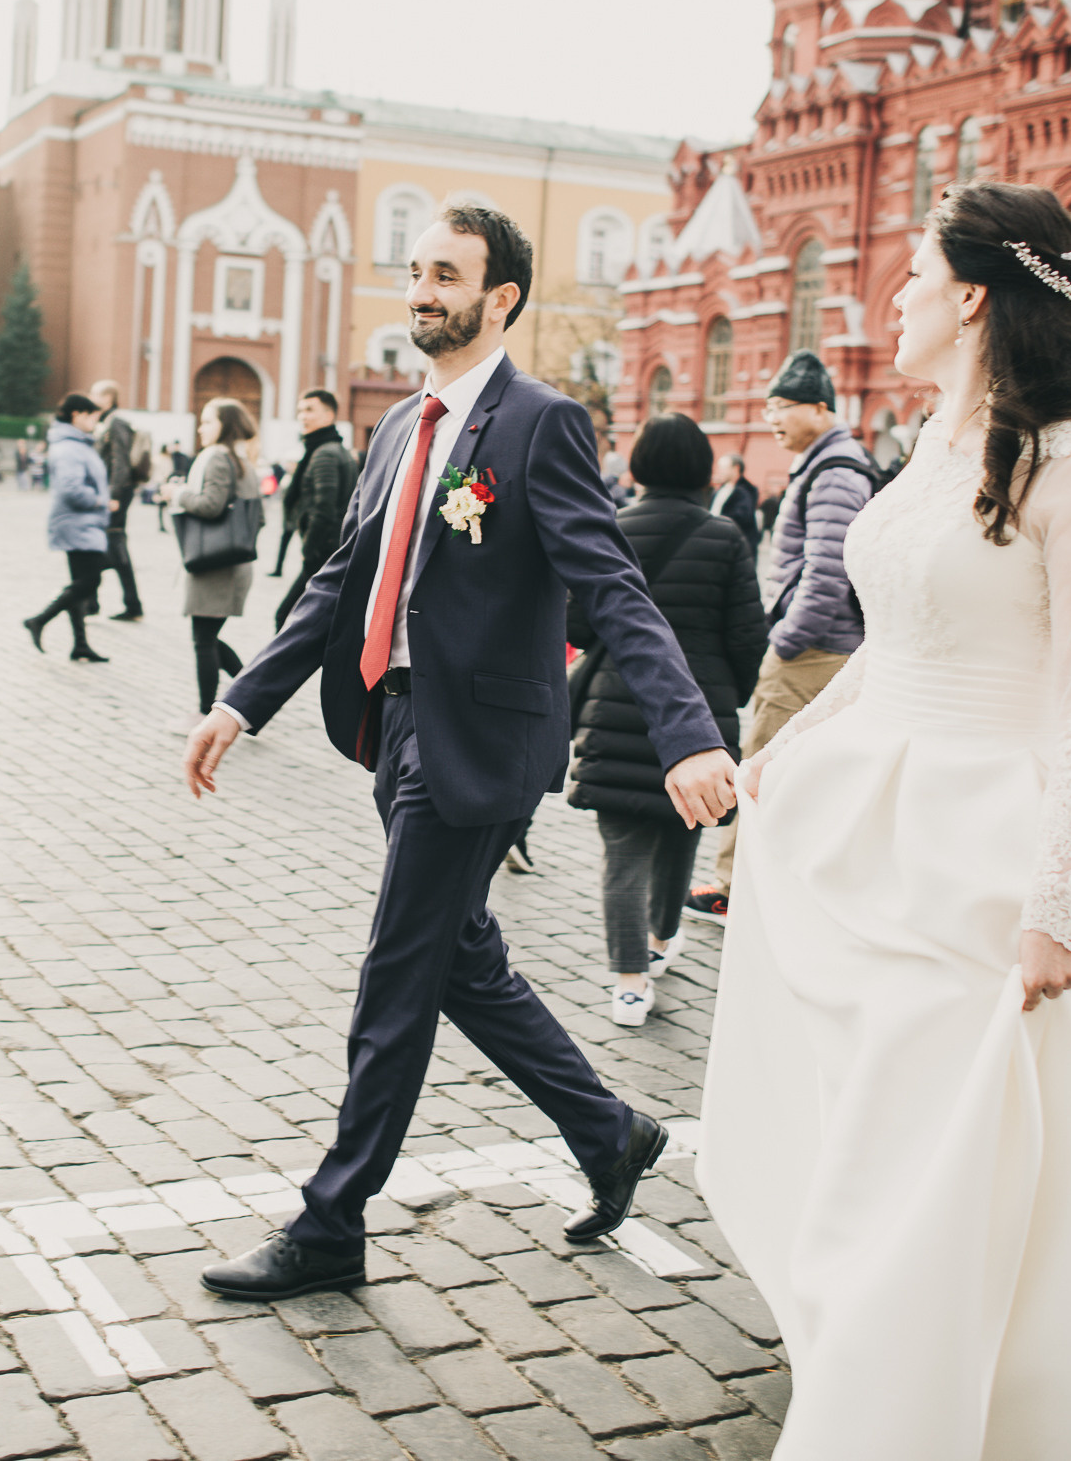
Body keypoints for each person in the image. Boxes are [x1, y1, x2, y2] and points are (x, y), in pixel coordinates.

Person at [702, 183, 1071, 1460]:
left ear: (974, 295)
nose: (897, 301)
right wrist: (795, 743)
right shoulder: (936, 438)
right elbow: (902, 634)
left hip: (987, 847)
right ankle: (874, 1371)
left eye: (912, 279)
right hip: (871, 824)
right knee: (867, 1141)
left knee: (946, 1158)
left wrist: (1062, 893)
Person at [184, 203, 736, 1302]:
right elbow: (343, 581)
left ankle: (331, 1224)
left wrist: (686, 731)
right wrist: (245, 700)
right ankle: (611, 1131)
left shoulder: (542, 424)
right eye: (419, 269)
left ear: (502, 298)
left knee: (398, 971)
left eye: (447, 273)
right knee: (459, 962)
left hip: (480, 742)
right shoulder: (399, 427)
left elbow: (610, 586)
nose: (422, 287)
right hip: (394, 731)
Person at [567, 413, 765, 1026]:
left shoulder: (613, 529)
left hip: (617, 707)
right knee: (684, 830)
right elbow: (748, 638)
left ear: (640, 465)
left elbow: (575, 625)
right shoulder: (725, 535)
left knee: (622, 850)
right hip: (699, 714)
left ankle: (629, 983)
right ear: (703, 467)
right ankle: (659, 942)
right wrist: (731, 693)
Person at [691, 350, 876, 925]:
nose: (772, 417)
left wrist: (786, 642)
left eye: (783, 406)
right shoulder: (831, 463)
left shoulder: (834, 471)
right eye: (767, 405)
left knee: (761, 770)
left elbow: (826, 572)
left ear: (820, 409)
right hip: (828, 648)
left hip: (812, 653)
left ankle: (732, 888)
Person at [173, 397, 263, 715]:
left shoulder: (216, 457)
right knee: (209, 637)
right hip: (231, 563)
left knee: (203, 641)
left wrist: (177, 494)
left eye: (208, 421)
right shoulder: (241, 460)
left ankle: (205, 713)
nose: (201, 427)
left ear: (224, 425)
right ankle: (251, 696)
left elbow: (210, 505)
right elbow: (259, 517)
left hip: (214, 565)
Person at [22, 393, 110, 661]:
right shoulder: (69, 447)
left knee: (79, 584)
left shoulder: (77, 443)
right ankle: (39, 620)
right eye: (93, 415)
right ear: (77, 415)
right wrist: (100, 501)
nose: (97, 420)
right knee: (90, 581)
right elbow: (71, 489)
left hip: (81, 523)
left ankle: (80, 645)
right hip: (78, 523)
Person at [275, 389, 358, 630]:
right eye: (300, 410)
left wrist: (309, 550)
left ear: (329, 415)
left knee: (286, 617)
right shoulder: (333, 450)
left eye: (310, 410)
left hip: (324, 551)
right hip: (332, 549)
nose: (303, 416)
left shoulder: (324, 455)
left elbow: (324, 508)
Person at [90, 380, 150, 622]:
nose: (90, 398)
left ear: (107, 399)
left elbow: (120, 462)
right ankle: (124, 603)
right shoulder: (107, 422)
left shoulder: (116, 423)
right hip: (114, 492)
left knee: (113, 543)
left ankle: (128, 604)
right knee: (112, 544)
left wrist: (114, 496)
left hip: (117, 493)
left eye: (94, 394)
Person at [707, 452, 760, 556]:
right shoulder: (719, 490)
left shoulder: (746, 491)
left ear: (736, 468)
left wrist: (714, 523)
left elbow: (741, 517)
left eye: (722, 468)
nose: (719, 471)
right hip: (717, 544)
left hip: (735, 548)